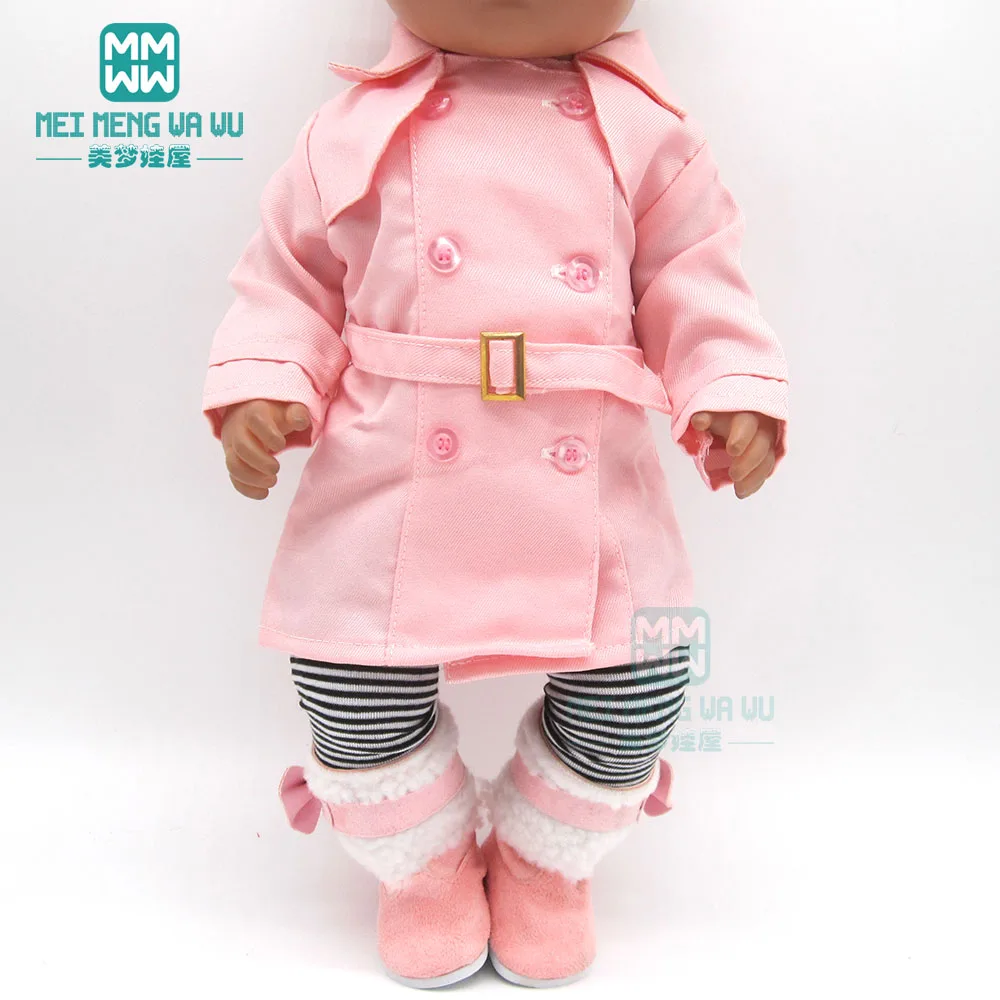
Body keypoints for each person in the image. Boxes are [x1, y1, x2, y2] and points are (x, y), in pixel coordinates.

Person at [201, 0, 789, 988]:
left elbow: (697, 277)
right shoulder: (353, 130)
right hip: (389, 467)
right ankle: (422, 865)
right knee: (348, 688)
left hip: (588, 469)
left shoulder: (647, 132)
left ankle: (543, 859)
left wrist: (729, 386)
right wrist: (266, 379)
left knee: (640, 686)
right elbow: (288, 279)